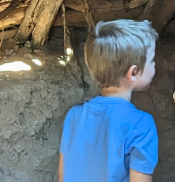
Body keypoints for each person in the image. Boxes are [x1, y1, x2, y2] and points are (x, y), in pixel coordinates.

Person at [59, 19, 159, 181]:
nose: (154, 66)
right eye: (152, 60)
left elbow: (64, 177)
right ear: (133, 73)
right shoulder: (141, 124)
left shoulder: (74, 116)